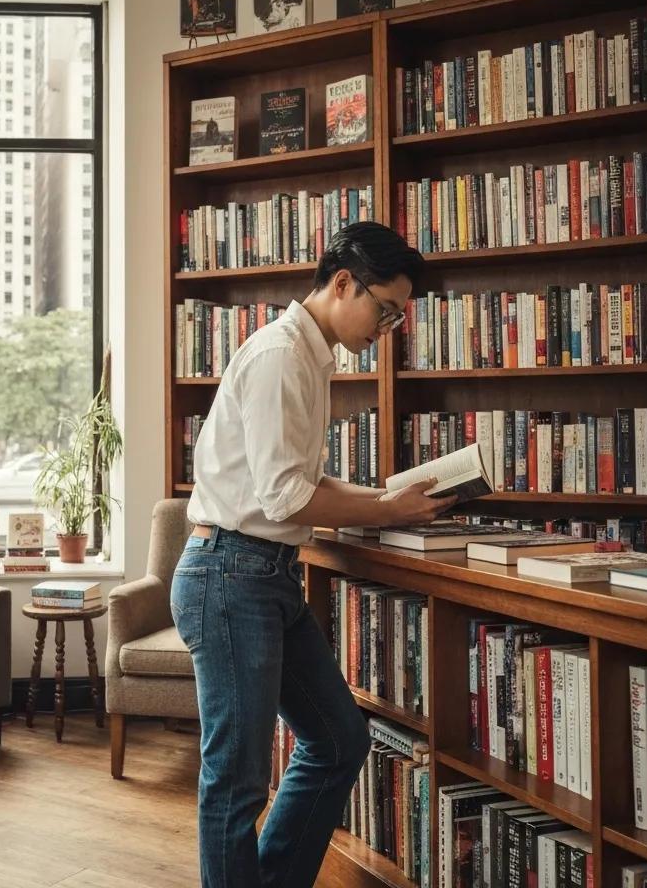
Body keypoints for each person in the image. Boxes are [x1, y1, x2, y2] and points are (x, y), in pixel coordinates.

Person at [171, 221, 457, 888]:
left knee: (338, 740)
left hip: (262, 575)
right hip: (229, 575)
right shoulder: (281, 357)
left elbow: (304, 483)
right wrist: (387, 511)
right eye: (384, 309)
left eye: (398, 318)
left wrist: (389, 497)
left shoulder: (309, 355)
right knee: (236, 778)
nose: (386, 327)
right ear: (341, 283)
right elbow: (282, 497)